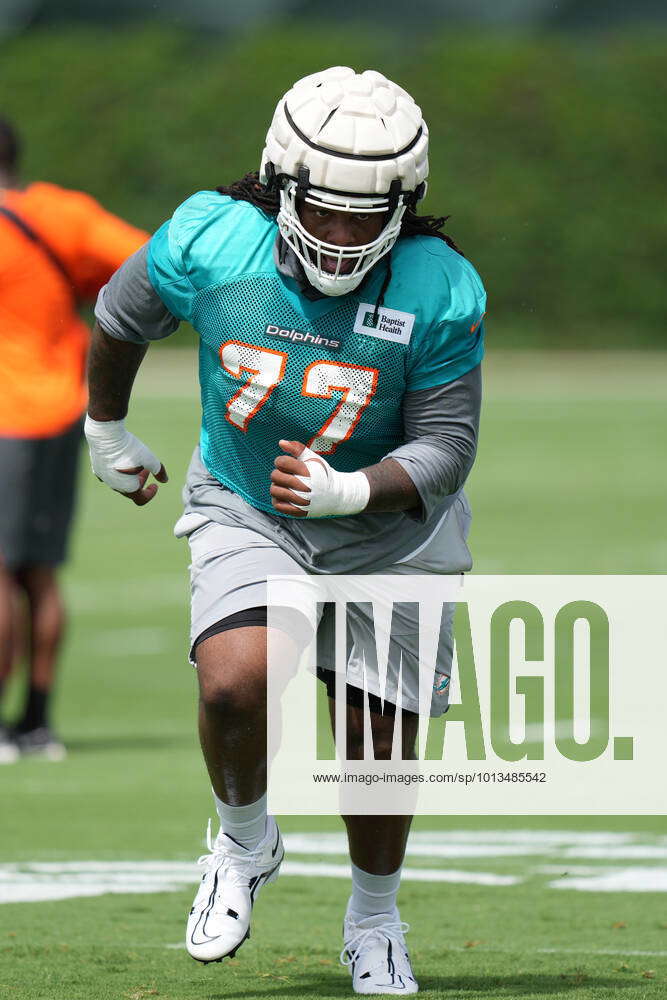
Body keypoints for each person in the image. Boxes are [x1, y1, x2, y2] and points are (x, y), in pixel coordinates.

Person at [85, 67, 485, 995]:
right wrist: (106, 427)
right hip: (247, 496)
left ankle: (374, 917)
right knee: (233, 682)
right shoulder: (213, 235)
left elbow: (447, 445)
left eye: (366, 214)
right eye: (325, 209)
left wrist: (350, 492)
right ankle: (242, 841)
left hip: (392, 528)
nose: (343, 233)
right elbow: (120, 316)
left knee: (374, 743)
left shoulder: (439, 285)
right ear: (281, 183)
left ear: (405, 200)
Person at [0, 116, 149, 762]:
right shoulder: (62, 213)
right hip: (64, 408)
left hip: (3, 417)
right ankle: (35, 722)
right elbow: (151, 261)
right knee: (41, 574)